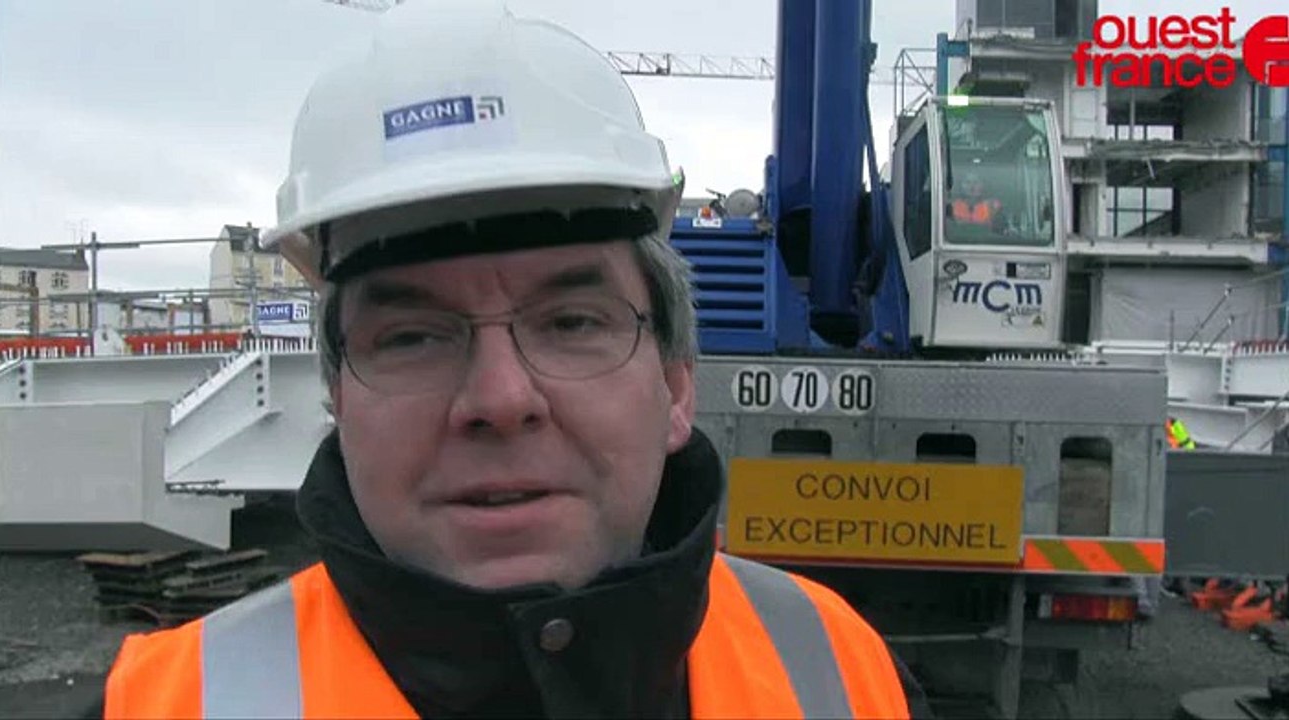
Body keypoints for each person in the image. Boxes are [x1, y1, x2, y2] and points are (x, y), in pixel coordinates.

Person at [95, 1, 931, 717]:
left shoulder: (843, 675)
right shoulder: (169, 703)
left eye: (570, 323)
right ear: (337, 402)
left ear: (677, 385)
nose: (499, 397)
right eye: (413, 338)